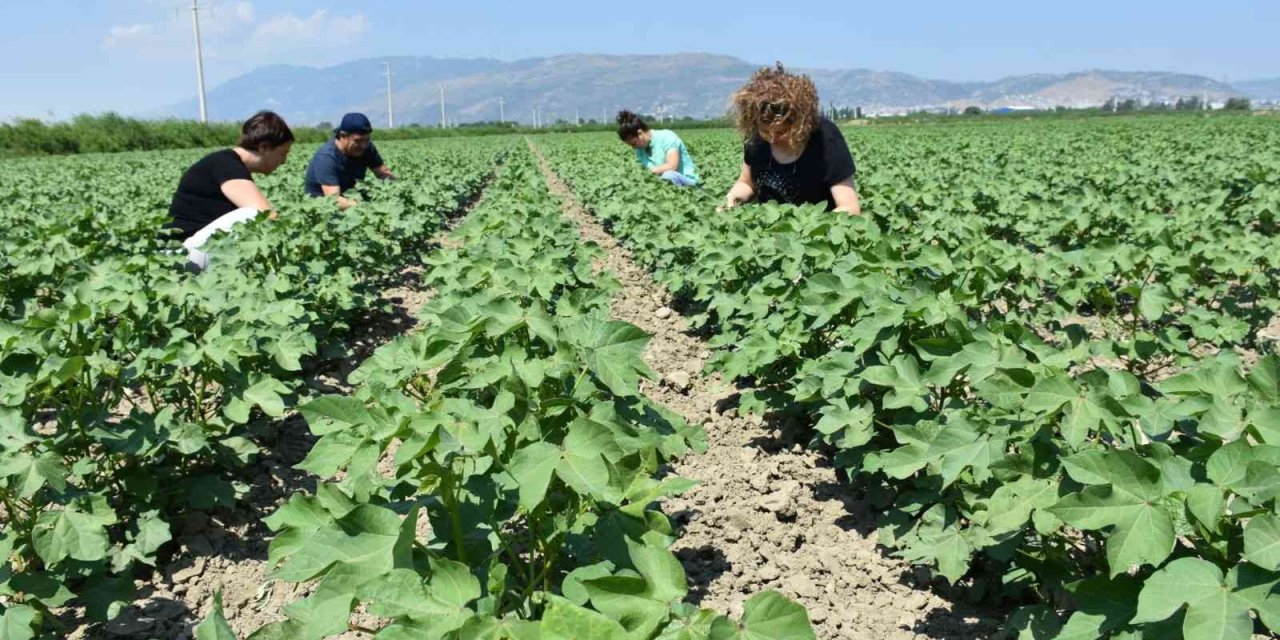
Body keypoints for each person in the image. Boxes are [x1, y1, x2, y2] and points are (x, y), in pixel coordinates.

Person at [722, 63, 861, 214]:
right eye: (765, 131)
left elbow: (849, 208)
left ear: (801, 123)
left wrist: (811, 229)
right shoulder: (756, 137)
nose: (772, 138)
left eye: (781, 132)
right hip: (768, 232)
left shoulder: (825, 138)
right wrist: (731, 199)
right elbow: (746, 183)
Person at [166, 110, 294, 270]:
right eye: (283, 153)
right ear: (264, 147)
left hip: (194, 249)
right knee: (253, 215)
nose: (284, 161)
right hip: (180, 255)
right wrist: (296, 245)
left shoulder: (229, 163)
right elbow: (267, 215)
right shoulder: (226, 164)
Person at [303, 112, 396, 209]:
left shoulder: (366, 147)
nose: (363, 145)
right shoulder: (327, 157)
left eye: (367, 139)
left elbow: (382, 172)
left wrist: (396, 189)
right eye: (358, 141)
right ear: (343, 136)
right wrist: (368, 207)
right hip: (323, 210)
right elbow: (334, 200)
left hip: (352, 200)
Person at [616, 110, 700, 187]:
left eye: (634, 143)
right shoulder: (640, 150)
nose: (634, 148)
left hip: (687, 183)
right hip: (661, 185)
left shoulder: (667, 137)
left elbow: (672, 166)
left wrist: (650, 173)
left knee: (669, 175)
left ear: (640, 133)